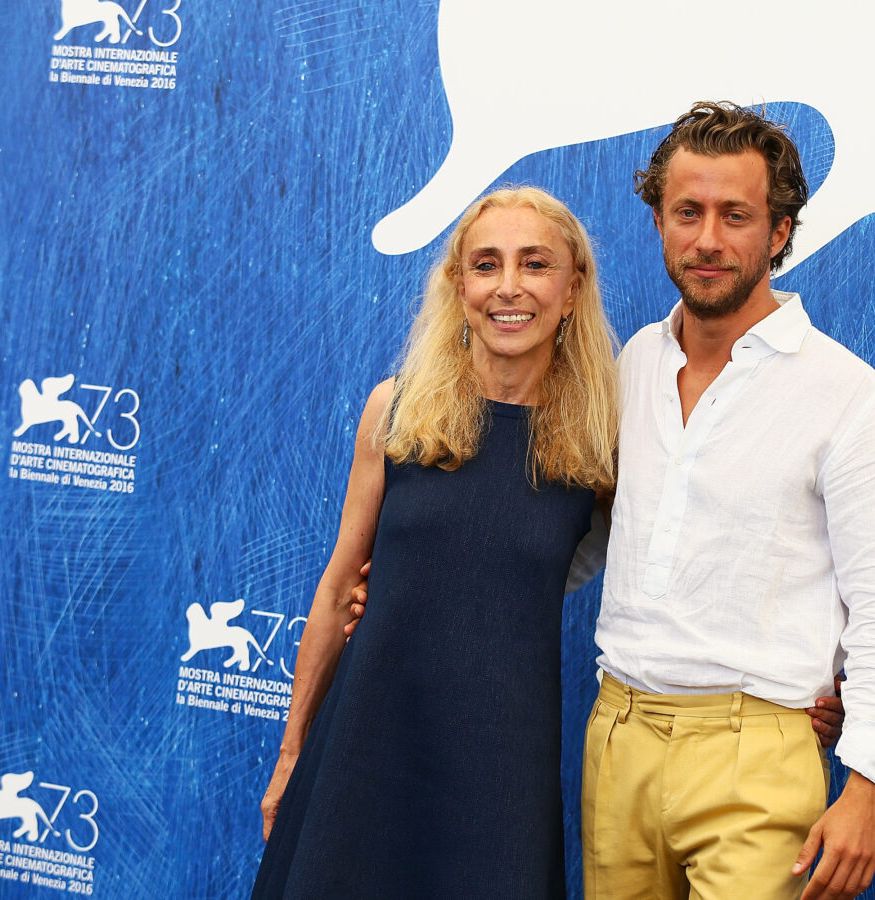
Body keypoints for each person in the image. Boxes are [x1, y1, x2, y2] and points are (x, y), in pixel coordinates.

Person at [583, 102, 875, 900]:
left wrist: (868, 787)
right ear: (658, 220)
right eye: (688, 212)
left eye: (736, 215)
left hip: (758, 752)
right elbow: (578, 539)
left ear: (780, 232)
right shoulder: (631, 365)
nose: (708, 240)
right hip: (615, 739)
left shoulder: (849, 397)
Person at [251, 186, 621, 898]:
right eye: (486, 265)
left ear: (572, 289)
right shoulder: (397, 410)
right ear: (458, 286)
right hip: (366, 744)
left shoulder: (601, 446)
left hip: (501, 772)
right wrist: (292, 750)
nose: (508, 287)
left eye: (535, 264)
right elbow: (337, 590)